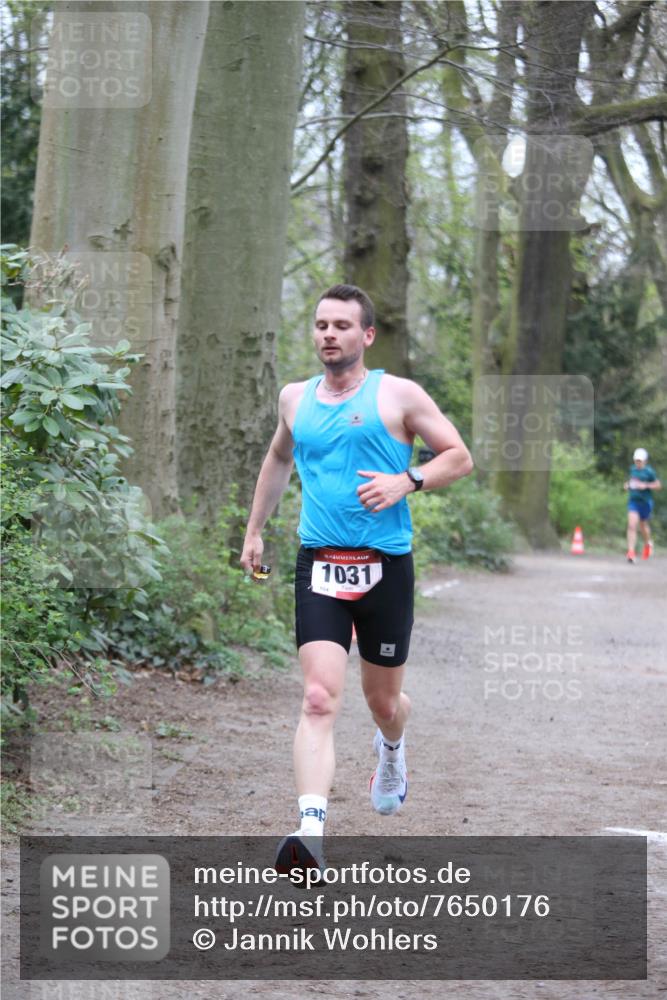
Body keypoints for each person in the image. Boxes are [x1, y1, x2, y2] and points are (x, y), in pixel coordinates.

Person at [240, 284, 473, 877]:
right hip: (318, 561)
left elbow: (459, 456)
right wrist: (255, 530)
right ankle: (310, 830)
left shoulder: (397, 395)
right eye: (321, 324)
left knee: (383, 701)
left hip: (385, 567)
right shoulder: (295, 399)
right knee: (318, 698)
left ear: (366, 335)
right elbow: (278, 458)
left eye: (342, 325)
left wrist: (408, 481)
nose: (328, 334)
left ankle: (391, 750)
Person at [624, 447, 661, 563]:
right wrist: (627, 485)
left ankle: (648, 543)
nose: (638, 462)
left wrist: (645, 485)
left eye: (640, 460)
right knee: (631, 525)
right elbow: (631, 482)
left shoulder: (649, 472)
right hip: (633, 502)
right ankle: (631, 552)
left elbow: (658, 485)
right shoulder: (632, 470)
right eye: (636, 460)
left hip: (645, 502)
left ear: (645, 461)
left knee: (643, 525)